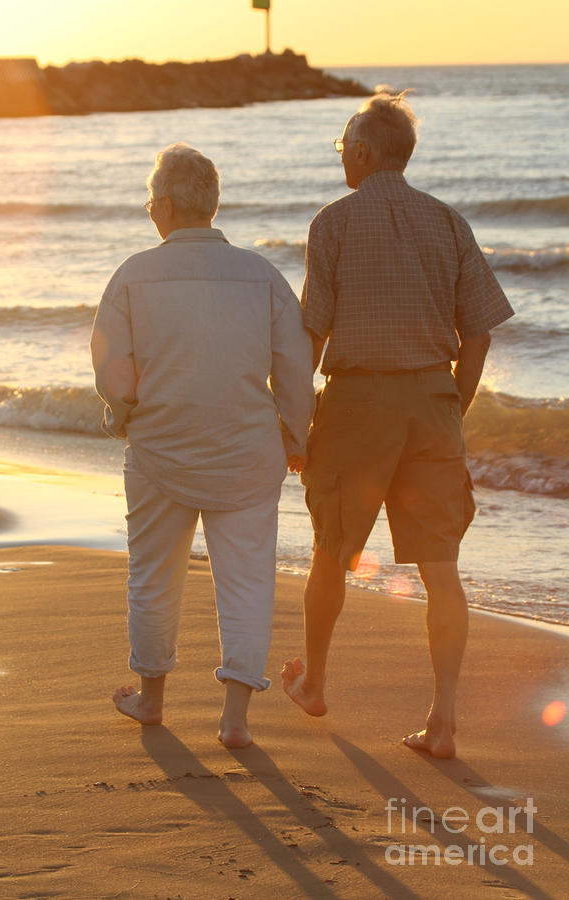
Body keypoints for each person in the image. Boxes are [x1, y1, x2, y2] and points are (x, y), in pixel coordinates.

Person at [281, 94, 514, 759]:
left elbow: (312, 334)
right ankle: (441, 720)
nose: (340, 158)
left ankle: (317, 682)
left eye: (341, 149)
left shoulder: (332, 223)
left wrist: (294, 421)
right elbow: (478, 333)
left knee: (332, 551)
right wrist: (452, 406)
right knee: (441, 568)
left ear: (361, 153)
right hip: (431, 405)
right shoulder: (448, 222)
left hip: (355, 405)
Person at [91, 143, 315, 748]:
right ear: (211, 205)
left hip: (160, 450)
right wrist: (295, 435)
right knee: (246, 579)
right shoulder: (261, 275)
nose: (149, 211)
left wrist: (125, 414)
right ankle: (235, 718)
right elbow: (294, 365)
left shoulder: (133, 274)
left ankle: (153, 699)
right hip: (247, 450)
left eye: (149, 202)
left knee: (153, 576)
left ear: (164, 205)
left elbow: (112, 364)